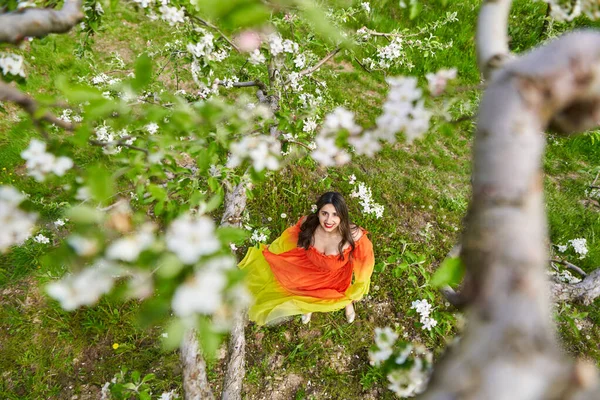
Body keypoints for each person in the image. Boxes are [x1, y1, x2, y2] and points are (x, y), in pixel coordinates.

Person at [239, 192, 375, 325]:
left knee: (341, 296)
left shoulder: (353, 235)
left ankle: (347, 304)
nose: (328, 221)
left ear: (342, 215)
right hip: (308, 272)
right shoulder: (308, 224)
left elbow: (365, 262)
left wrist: (358, 286)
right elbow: (289, 238)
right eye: (324, 213)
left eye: (335, 214)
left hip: (335, 278)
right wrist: (275, 252)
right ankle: (307, 307)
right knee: (304, 296)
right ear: (318, 212)